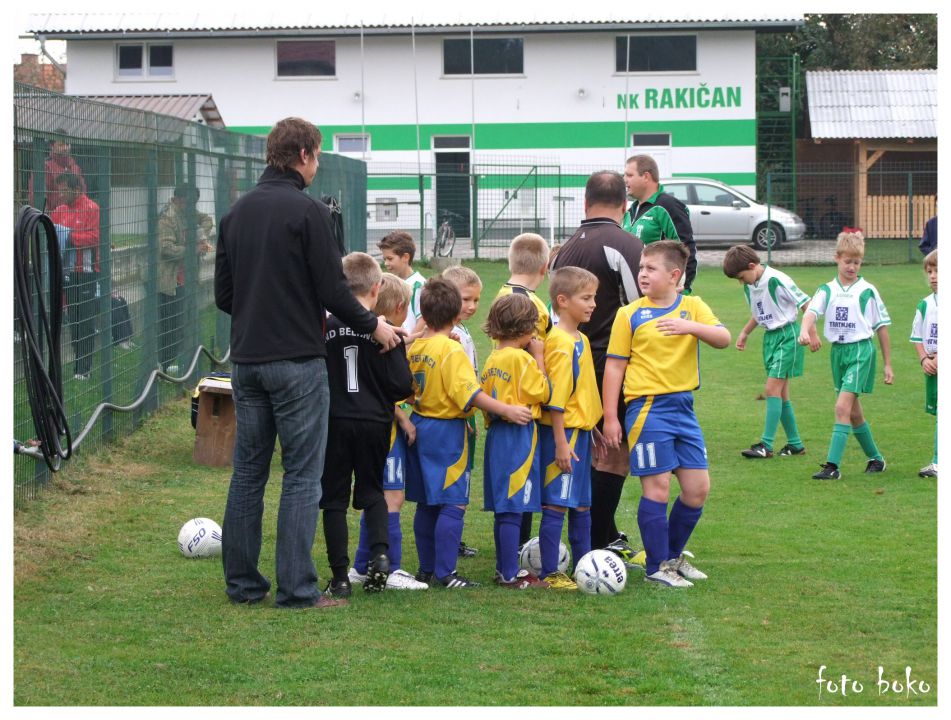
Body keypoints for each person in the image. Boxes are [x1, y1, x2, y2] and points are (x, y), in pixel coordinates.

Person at [215, 117, 400, 610]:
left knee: (248, 472)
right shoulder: (309, 212)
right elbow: (333, 290)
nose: (316, 165)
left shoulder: (234, 215)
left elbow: (225, 294)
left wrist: (263, 310)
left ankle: (243, 585)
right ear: (303, 156)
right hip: (296, 361)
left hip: (248, 361)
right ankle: (297, 589)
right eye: (317, 156)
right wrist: (373, 325)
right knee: (301, 474)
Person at [602, 241, 730, 587]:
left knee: (696, 489)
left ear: (675, 275)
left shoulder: (693, 306)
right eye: (641, 267)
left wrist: (691, 328)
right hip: (647, 408)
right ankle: (657, 567)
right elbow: (614, 367)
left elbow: (723, 337)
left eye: (650, 268)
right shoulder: (629, 314)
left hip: (684, 407)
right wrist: (611, 417)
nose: (642, 273)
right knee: (657, 489)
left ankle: (672, 558)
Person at [405, 277, 533, 588]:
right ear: (455, 316)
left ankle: (426, 568)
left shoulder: (416, 347)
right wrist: (506, 409)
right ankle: (446, 573)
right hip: (447, 431)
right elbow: (470, 394)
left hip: (420, 424)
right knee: (453, 502)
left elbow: (406, 391)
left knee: (427, 502)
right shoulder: (451, 350)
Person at [550, 170, 643, 560]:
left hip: (572, 359)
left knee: (590, 448)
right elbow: (642, 309)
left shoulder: (565, 248)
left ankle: (601, 530)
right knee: (613, 451)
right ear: (625, 205)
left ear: (585, 204)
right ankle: (600, 538)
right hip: (611, 364)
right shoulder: (627, 244)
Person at [319, 253, 415, 599]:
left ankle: (340, 577)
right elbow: (403, 387)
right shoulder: (384, 331)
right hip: (375, 421)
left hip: (334, 420)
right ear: (376, 290)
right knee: (373, 491)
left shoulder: (324, 327)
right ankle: (379, 555)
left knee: (333, 499)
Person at [348, 274, 430, 590]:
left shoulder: (365, 335)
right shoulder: (384, 347)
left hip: (357, 425)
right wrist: (405, 418)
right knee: (391, 498)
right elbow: (388, 391)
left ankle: (359, 565)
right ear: (399, 308)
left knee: (373, 497)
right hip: (384, 432)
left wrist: (415, 338)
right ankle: (391, 569)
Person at [798, 230, 893, 481]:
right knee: (853, 413)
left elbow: (881, 327)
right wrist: (804, 331)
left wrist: (888, 365)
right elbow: (810, 313)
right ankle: (876, 459)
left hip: (861, 351)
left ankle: (832, 466)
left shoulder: (867, 290)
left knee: (841, 407)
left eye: (857, 262)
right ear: (837, 258)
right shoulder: (826, 289)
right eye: (848, 261)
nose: (852, 266)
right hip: (838, 353)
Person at [537, 266, 603, 590]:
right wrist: (562, 444)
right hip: (565, 435)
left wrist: (594, 426)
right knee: (557, 502)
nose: (593, 304)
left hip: (581, 432)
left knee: (581, 503)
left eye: (594, 297)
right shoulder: (561, 343)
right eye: (586, 298)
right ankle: (550, 573)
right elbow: (557, 401)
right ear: (562, 301)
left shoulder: (581, 339)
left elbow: (581, 392)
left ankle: (584, 567)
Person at [480, 293, 552, 589]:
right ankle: (510, 575)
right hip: (519, 437)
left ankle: (504, 568)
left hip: (497, 436)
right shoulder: (521, 358)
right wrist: (539, 356)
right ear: (525, 329)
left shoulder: (494, 357)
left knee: (504, 507)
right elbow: (544, 392)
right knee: (514, 506)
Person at [722, 245, 815, 458]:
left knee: (772, 390)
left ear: (752, 266)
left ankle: (766, 444)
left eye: (741, 276)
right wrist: (745, 333)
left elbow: (806, 303)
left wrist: (812, 332)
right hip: (770, 339)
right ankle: (795, 444)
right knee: (781, 395)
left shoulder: (776, 279)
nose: (740, 282)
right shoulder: (750, 286)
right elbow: (760, 312)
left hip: (788, 336)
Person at [494, 233, 551, 548]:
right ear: (544, 268)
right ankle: (518, 549)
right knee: (523, 482)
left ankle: (514, 545)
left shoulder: (501, 294)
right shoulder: (534, 306)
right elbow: (536, 353)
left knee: (510, 485)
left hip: (501, 396)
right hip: (526, 404)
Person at [442, 265, 485, 559]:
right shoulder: (449, 334)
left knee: (462, 479)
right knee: (454, 483)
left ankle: (452, 538)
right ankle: (447, 542)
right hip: (454, 416)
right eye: (465, 299)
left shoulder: (462, 330)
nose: (471, 306)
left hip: (465, 416)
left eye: (476, 300)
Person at [158, 184, 216, 374]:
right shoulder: (167, 218)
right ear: (178, 200)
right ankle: (161, 365)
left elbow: (208, 220)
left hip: (186, 279)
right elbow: (165, 249)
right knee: (170, 325)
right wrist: (193, 249)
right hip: (170, 281)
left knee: (183, 324)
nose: (193, 208)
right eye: (190, 204)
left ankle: (169, 363)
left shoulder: (188, 213)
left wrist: (202, 236)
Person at [50, 171, 100, 380]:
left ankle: (84, 368)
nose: (61, 195)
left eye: (64, 191)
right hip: (65, 273)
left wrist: (68, 237)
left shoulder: (91, 208)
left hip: (85, 273)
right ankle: (77, 366)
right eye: (59, 191)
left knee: (85, 321)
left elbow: (94, 237)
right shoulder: (58, 211)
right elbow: (50, 234)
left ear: (76, 189)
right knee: (73, 319)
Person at [621, 154, 696, 293]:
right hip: (636, 294)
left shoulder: (667, 206)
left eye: (629, 175)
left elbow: (686, 249)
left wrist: (684, 289)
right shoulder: (631, 210)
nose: (624, 180)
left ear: (646, 176)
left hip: (664, 294)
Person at [911, 250, 938, 478]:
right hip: (932, 367)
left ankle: (939, 462)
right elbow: (917, 337)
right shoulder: (924, 304)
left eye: (938, 270)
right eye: (929, 271)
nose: (933, 276)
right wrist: (924, 359)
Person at [378, 231, 426, 334]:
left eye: (390, 259)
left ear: (405, 257)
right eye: (384, 259)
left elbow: (423, 320)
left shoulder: (418, 285)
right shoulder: (388, 284)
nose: (386, 263)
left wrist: (407, 347)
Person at [32, 128, 86, 212]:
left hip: (77, 218)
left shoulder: (75, 167)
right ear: (52, 146)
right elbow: (36, 196)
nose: (65, 148)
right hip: (54, 219)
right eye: (61, 145)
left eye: (67, 144)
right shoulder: (44, 168)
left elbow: (83, 192)